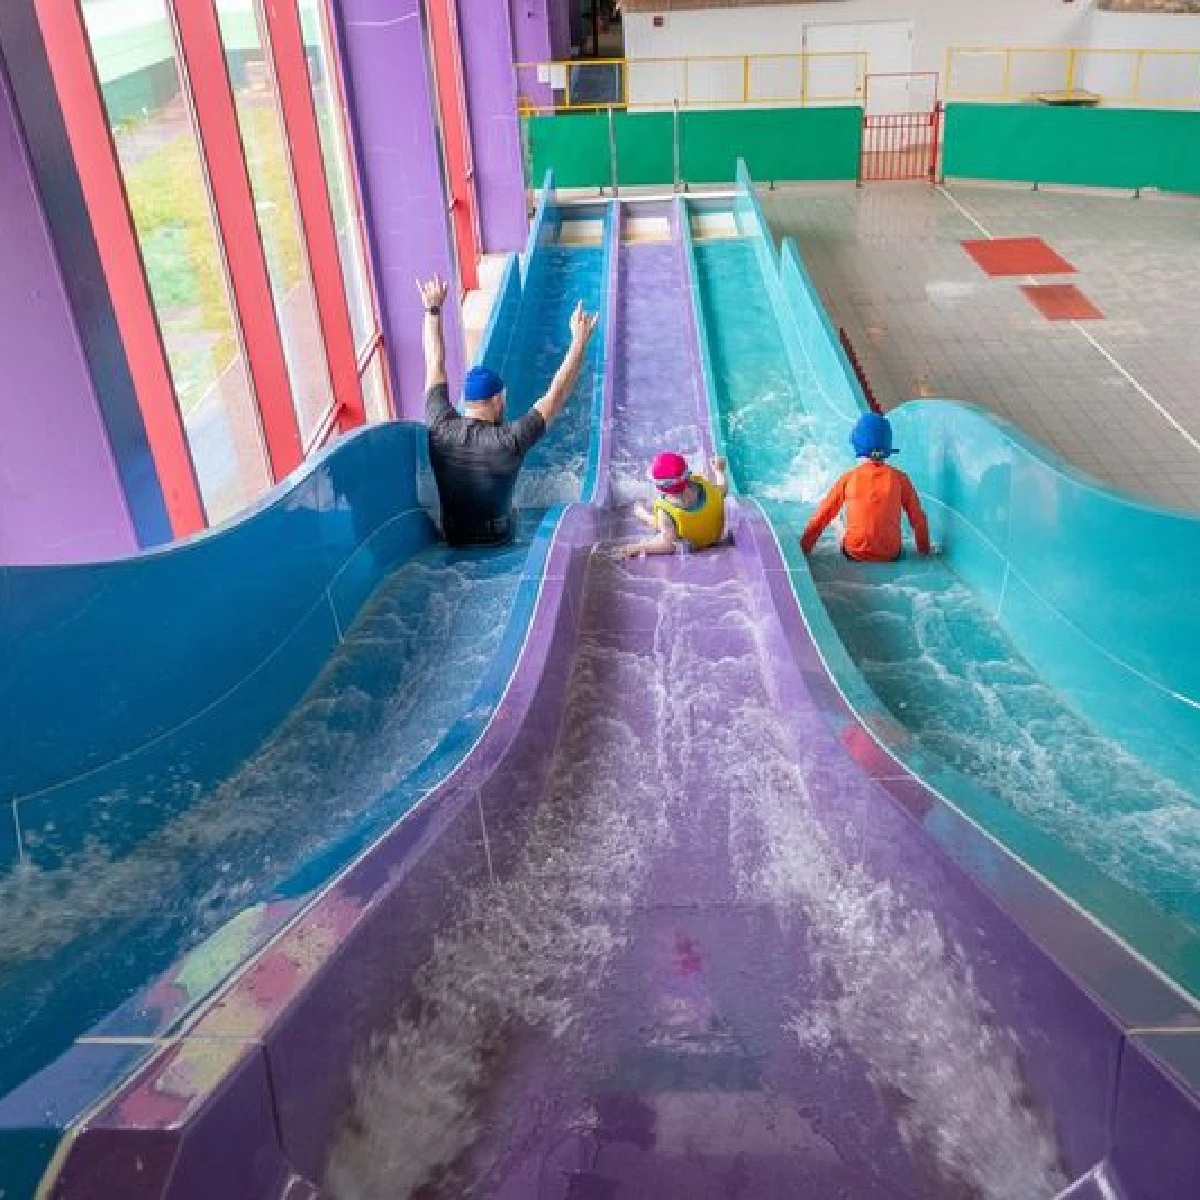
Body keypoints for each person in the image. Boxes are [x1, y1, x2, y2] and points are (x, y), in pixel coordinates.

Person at [418, 275, 598, 547]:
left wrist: (433, 310)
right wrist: (579, 343)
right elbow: (556, 394)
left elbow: (434, 363)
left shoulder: (439, 424)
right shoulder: (509, 441)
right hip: (499, 541)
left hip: (452, 540)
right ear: (497, 400)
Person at [801, 412, 932, 561]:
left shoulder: (848, 477)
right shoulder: (900, 478)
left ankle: (842, 530)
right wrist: (925, 552)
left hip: (854, 552)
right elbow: (918, 519)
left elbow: (821, 516)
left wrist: (804, 549)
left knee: (836, 516)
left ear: (857, 444)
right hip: (890, 554)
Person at [618, 451, 728, 558]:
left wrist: (637, 548)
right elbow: (723, 490)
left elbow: (668, 545)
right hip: (714, 537)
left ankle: (643, 515)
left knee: (660, 524)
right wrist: (719, 471)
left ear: (660, 486)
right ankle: (643, 514)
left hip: (692, 545)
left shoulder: (665, 509)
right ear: (687, 475)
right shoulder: (707, 488)